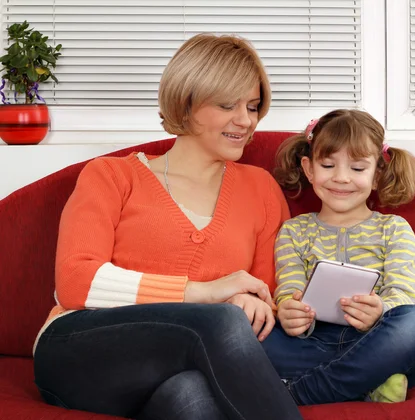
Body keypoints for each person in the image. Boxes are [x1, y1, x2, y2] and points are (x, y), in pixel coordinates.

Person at [33, 34, 303, 420]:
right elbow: (77, 282)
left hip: (174, 372)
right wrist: (206, 294)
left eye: (253, 106)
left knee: (190, 397)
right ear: (187, 103)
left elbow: (265, 295)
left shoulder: (260, 188)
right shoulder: (112, 175)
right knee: (221, 322)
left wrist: (256, 302)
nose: (245, 121)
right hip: (80, 352)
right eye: (228, 105)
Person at [261, 109, 415, 406]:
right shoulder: (294, 231)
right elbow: (288, 289)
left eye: (357, 168)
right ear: (309, 169)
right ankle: (368, 381)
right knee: (247, 335)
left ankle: (299, 392)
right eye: (328, 165)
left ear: (377, 175)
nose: (341, 178)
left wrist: (380, 311)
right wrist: (290, 313)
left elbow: (404, 294)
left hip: (376, 340)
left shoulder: (393, 228)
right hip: (314, 341)